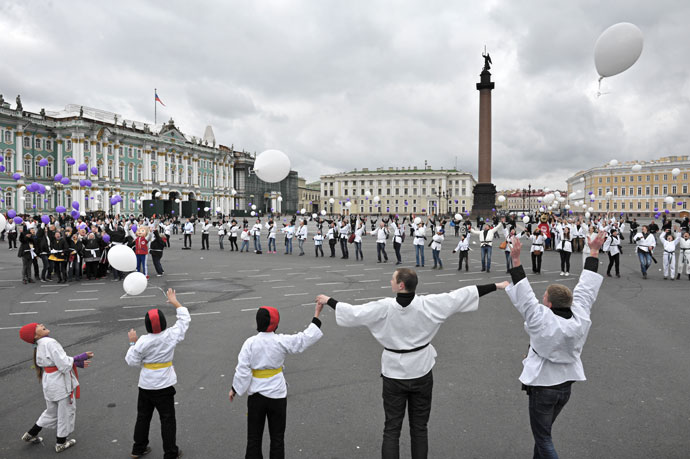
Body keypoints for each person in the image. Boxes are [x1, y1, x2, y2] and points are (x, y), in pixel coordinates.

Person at [315, 269, 506, 459]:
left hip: (393, 374)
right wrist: (496, 286)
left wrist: (329, 300)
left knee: (391, 429)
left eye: (392, 278)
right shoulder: (429, 304)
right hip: (421, 371)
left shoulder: (384, 307)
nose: (390, 280)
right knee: (419, 428)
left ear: (401, 285)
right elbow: (462, 295)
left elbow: (354, 313)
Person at [503, 232, 605, 459]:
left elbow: (524, 293)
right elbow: (587, 287)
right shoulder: (579, 314)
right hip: (566, 385)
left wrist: (516, 259)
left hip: (543, 385)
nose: (541, 298)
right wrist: (594, 252)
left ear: (548, 303)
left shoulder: (541, 317)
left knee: (543, 439)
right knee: (544, 434)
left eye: (544, 296)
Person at [229, 304, 324, 459]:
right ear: (276, 324)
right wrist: (316, 315)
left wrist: (235, 388)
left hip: (256, 396)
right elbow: (303, 339)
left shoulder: (250, 343)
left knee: (254, 438)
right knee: (277, 439)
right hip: (277, 396)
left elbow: (243, 369)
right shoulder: (281, 341)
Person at [125, 288, 190, 459]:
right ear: (163, 323)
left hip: (146, 384)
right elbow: (185, 319)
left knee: (143, 417)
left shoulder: (142, 342)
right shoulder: (171, 335)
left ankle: (138, 448)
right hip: (164, 384)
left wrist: (132, 343)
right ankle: (170, 452)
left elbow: (131, 361)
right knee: (167, 420)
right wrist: (175, 302)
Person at [19, 322, 93, 453]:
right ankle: (61, 442)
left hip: (49, 381)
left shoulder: (40, 345)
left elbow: (55, 362)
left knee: (51, 411)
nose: (41, 324)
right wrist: (81, 357)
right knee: (65, 412)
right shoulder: (50, 342)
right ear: (35, 335)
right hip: (60, 383)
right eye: (37, 326)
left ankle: (31, 434)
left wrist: (76, 363)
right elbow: (64, 364)